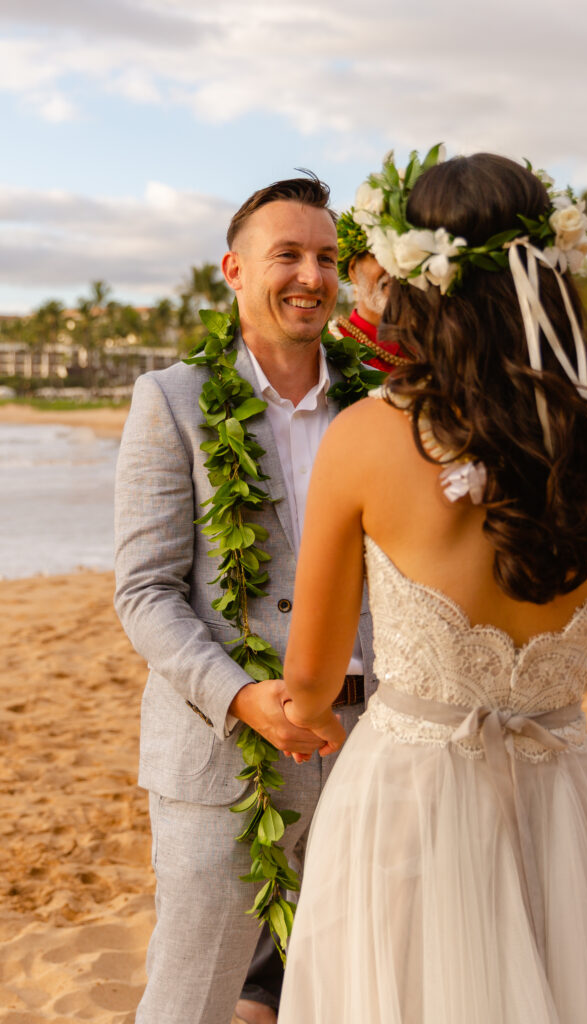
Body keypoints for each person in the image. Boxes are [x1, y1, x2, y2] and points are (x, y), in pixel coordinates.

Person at [276, 152, 587, 1022]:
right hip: (561, 793)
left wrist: (293, 707)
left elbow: (309, 682)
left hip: (411, 797)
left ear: (421, 281)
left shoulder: (367, 436)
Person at [114, 174, 378, 1024]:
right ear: (233, 269)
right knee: (191, 993)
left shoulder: (376, 404)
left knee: (342, 988)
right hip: (223, 756)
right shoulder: (173, 402)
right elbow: (146, 590)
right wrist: (239, 694)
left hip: (372, 742)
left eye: (327, 258)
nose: (311, 276)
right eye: (287, 255)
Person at [333, 209, 411, 372]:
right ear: (353, 270)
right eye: (380, 254)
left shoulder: (439, 346)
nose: (394, 267)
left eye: (405, 255)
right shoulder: (329, 346)